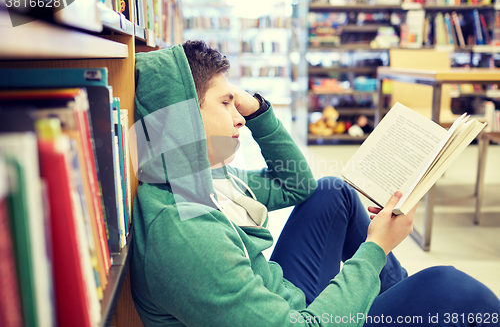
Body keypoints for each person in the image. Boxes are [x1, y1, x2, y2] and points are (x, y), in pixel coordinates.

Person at [130, 40, 500, 327]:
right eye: (226, 103)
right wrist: (376, 247)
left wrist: (257, 109)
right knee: (453, 290)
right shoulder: (185, 233)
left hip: (280, 298)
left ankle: (395, 296)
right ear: (182, 118)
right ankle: (398, 299)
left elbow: (297, 185)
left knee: (332, 192)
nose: (239, 117)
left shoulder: (197, 177)